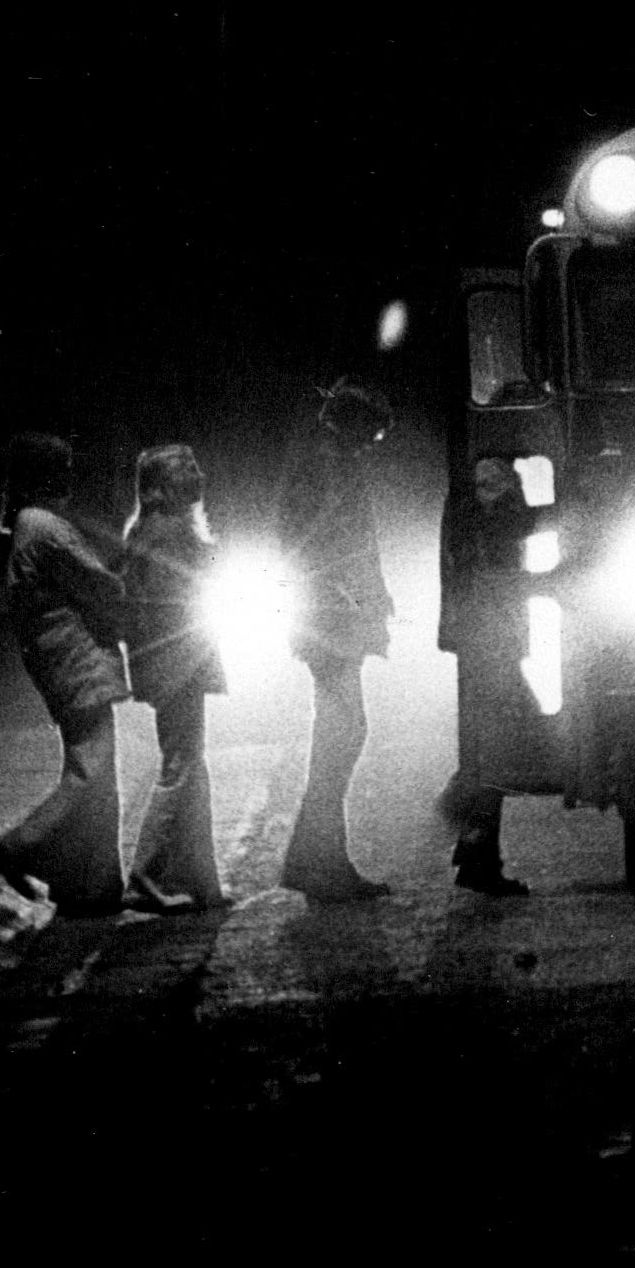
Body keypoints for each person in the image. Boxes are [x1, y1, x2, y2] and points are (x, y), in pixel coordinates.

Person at [0, 432, 131, 917]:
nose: (70, 476)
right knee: (91, 772)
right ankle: (18, 846)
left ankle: (90, 886)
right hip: (77, 659)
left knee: (95, 775)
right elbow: (101, 585)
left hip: (59, 659)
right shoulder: (47, 526)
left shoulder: (28, 524)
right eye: (63, 467)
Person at [276, 379, 397, 902]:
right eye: (370, 434)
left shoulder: (319, 458)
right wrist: (357, 594)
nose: (371, 443)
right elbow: (331, 539)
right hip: (332, 615)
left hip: (328, 611)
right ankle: (319, 860)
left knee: (339, 733)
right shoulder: (330, 464)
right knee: (342, 733)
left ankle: (316, 856)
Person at [120, 444, 229, 913]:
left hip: (174, 662)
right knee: (181, 766)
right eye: (185, 468)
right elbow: (169, 609)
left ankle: (200, 880)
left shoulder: (158, 529)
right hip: (177, 662)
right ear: (159, 488)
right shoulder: (168, 533)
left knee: (189, 765)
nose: (197, 473)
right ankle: (144, 876)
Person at [435, 453, 535, 896]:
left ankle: (477, 846)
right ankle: (469, 821)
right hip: (490, 625)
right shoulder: (489, 474)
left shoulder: (473, 474)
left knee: (494, 737)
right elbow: (499, 537)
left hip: (482, 624)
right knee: (503, 736)